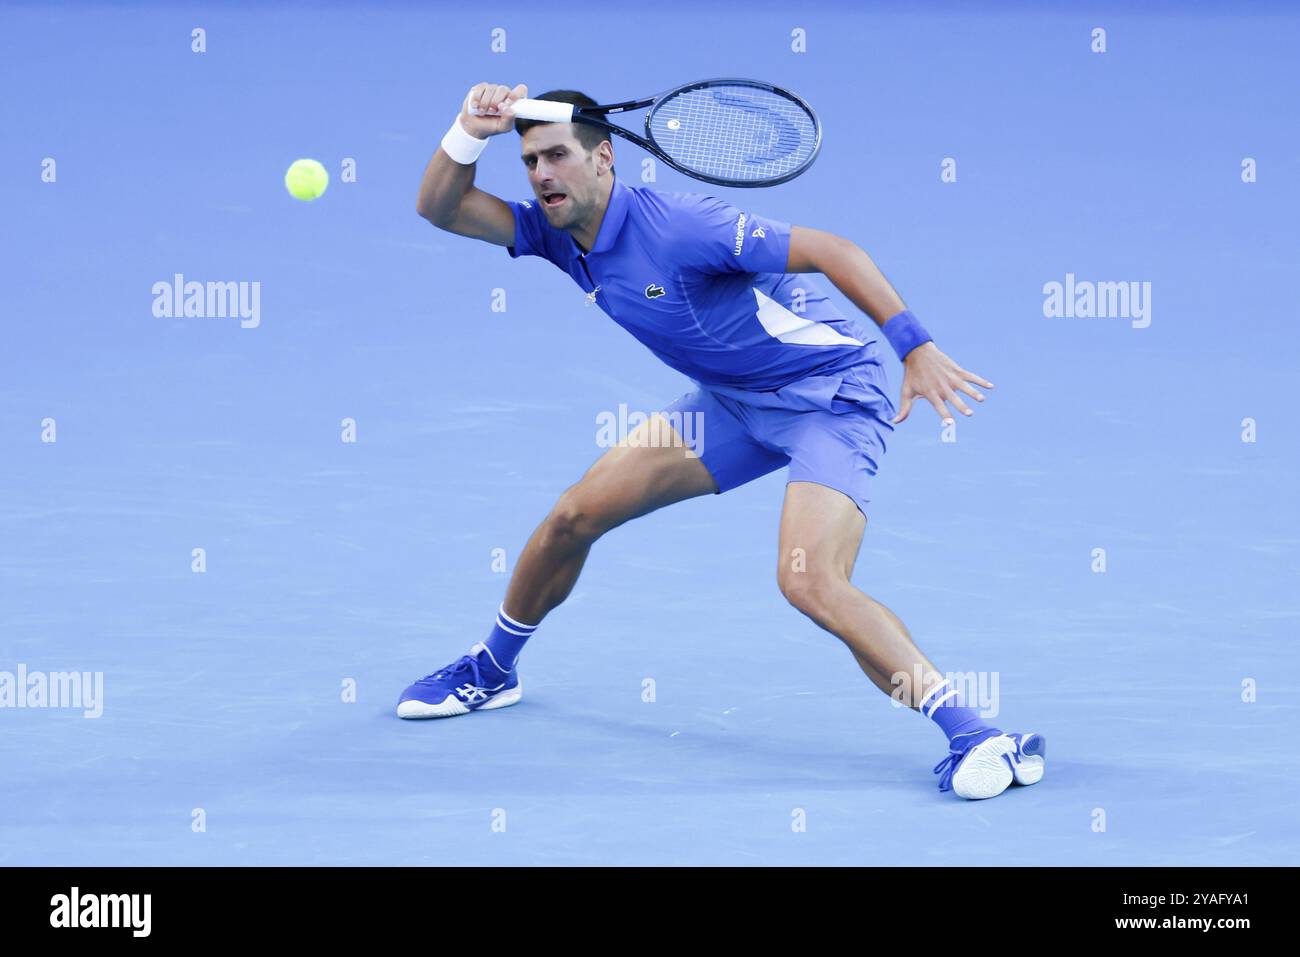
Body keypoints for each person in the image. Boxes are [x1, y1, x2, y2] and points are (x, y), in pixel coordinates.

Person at [401, 81, 1046, 800]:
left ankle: (979, 736)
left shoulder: (682, 226)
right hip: (734, 403)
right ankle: (492, 669)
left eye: (556, 155)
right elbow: (441, 207)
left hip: (828, 397)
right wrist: (467, 130)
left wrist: (915, 347)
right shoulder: (555, 234)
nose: (541, 174)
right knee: (573, 516)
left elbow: (834, 249)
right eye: (528, 161)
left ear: (605, 157)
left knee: (808, 580)